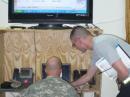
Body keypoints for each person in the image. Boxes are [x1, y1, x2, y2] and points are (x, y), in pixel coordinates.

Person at [70, 26, 130, 97]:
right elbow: (88, 76)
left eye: (74, 44)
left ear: (78, 41)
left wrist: (122, 84)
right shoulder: (97, 49)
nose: (75, 47)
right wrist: (69, 85)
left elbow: (124, 72)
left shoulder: (100, 44)